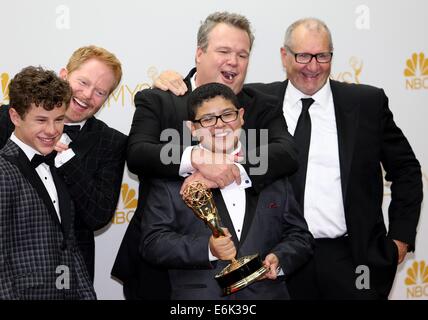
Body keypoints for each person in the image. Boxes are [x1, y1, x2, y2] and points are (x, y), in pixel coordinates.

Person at [154, 17, 423, 300]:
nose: (313, 65)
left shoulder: (367, 103)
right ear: (284, 56)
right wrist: (170, 81)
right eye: (303, 55)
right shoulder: (252, 101)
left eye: (322, 56)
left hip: (352, 258)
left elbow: (406, 170)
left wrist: (399, 241)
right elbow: (206, 103)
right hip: (275, 262)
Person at [112, 12, 298, 300]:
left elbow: (287, 153)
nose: (233, 61)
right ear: (199, 53)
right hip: (161, 272)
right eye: (223, 51)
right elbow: (138, 153)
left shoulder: (261, 104)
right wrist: (196, 159)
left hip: (250, 279)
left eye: (242, 54)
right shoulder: (161, 98)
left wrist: (231, 168)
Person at [140, 82, 313, 300]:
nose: (219, 125)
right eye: (207, 119)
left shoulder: (271, 172)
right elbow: (152, 243)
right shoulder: (171, 180)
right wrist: (208, 249)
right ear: (192, 128)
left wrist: (279, 259)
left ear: (241, 116)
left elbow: (300, 236)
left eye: (227, 115)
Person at [0, 46, 127, 281]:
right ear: (64, 75)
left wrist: (68, 160)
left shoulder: (112, 142)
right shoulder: (8, 118)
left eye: (100, 92)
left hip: (70, 274)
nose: (88, 95)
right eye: (83, 82)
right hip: (8, 270)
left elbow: (98, 216)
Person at [0, 66, 95, 299]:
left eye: (59, 119)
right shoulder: (3, 172)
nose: (52, 130)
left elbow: (69, 247)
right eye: (41, 120)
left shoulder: (59, 165)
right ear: (15, 117)